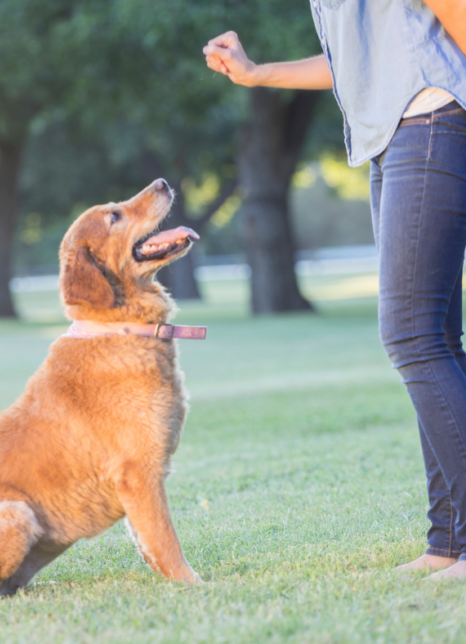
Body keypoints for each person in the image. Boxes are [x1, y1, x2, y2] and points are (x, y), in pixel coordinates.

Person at [203, 1, 466, 578]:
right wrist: (258, 72)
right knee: (436, 339)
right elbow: (358, 60)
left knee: (412, 336)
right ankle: (448, 540)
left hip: (432, 117)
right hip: (394, 135)